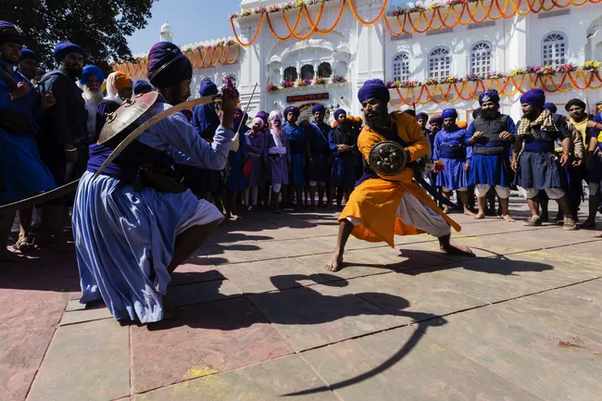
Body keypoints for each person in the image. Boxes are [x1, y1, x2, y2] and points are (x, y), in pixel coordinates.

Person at [73, 41, 239, 323]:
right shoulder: (166, 116)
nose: (189, 91)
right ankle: (154, 285)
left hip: (90, 189)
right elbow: (215, 161)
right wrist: (226, 121)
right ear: (174, 84)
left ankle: (142, 275)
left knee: (175, 206)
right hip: (114, 192)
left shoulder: (136, 102)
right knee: (208, 214)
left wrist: (197, 151)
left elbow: (168, 151)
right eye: (187, 83)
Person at [325, 79, 473, 272]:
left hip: (406, 181)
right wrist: (408, 165)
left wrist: (406, 155)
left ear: (385, 102)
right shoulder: (366, 136)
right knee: (355, 203)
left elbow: (423, 144)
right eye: (364, 105)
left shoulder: (405, 121)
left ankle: (445, 245)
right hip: (378, 181)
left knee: (439, 218)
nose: (368, 108)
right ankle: (338, 252)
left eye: (372, 102)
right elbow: (383, 168)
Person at [0, 21, 57, 261]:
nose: (16, 51)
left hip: (24, 141)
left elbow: (32, 115)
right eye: (11, 46)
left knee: (20, 192)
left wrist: (43, 106)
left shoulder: (20, 76)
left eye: (18, 47)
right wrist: (13, 95)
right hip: (4, 141)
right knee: (13, 192)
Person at [37, 41, 88, 249]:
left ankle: (43, 235)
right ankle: (58, 239)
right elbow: (58, 117)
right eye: (72, 58)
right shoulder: (56, 80)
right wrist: (68, 145)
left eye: (80, 59)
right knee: (58, 191)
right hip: (58, 148)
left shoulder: (70, 83)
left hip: (71, 146)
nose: (76, 62)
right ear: (61, 60)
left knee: (62, 191)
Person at [511, 89, 575, 229]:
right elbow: (517, 142)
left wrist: (566, 153)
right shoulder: (521, 122)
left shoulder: (555, 119)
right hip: (527, 158)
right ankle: (535, 216)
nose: (523, 108)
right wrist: (514, 159)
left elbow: (565, 136)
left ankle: (568, 217)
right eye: (522, 106)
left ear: (536, 105)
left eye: (526, 105)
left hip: (546, 157)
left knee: (554, 188)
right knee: (529, 189)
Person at [466, 90, 516, 222]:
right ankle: (481, 211)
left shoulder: (506, 119)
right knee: (480, 186)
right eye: (484, 105)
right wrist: (473, 138)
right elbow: (466, 140)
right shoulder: (475, 122)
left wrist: (510, 136)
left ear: (496, 104)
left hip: (498, 158)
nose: (487, 107)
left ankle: (505, 213)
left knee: (502, 186)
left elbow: (516, 136)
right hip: (480, 158)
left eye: (490, 104)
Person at [178, 80, 224, 212]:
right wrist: (222, 127)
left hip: (204, 147)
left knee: (208, 185)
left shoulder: (205, 107)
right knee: (205, 186)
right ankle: (205, 215)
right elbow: (206, 128)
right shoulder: (204, 107)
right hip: (204, 148)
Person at [433, 108, 474, 215]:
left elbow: (468, 147)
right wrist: (436, 163)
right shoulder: (439, 134)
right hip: (444, 163)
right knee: (445, 188)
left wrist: (468, 161)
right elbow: (436, 149)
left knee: (462, 188)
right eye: (446, 120)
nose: (448, 122)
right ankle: (446, 208)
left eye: (450, 120)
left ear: (455, 119)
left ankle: (465, 208)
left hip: (459, 162)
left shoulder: (462, 132)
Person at [283, 106, 310, 210]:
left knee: (298, 180)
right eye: (289, 114)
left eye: (294, 114)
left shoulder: (300, 130)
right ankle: (287, 202)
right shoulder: (283, 129)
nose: (291, 116)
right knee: (288, 180)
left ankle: (299, 202)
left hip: (298, 157)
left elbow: (303, 145)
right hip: (286, 157)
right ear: (286, 116)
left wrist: (304, 157)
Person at [224, 108, 248, 220]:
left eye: (238, 113)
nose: (236, 115)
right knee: (224, 185)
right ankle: (225, 210)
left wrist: (243, 154)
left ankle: (233, 210)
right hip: (225, 155)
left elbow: (242, 141)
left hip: (236, 157)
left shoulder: (239, 126)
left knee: (234, 186)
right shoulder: (222, 122)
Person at [307, 104, 332, 209]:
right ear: (314, 115)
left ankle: (321, 201)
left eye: (321, 113)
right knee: (313, 181)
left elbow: (331, 143)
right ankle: (313, 202)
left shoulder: (328, 128)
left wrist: (330, 156)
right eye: (316, 113)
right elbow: (307, 144)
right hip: (314, 157)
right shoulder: (310, 128)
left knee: (323, 182)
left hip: (325, 157)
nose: (319, 115)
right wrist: (310, 158)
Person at [329, 114, 357, 207]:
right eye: (341, 116)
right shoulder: (332, 132)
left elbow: (356, 144)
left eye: (344, 116)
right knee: (335, 181)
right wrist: (338, 146)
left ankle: (348, 203)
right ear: (337, 118)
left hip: (348, 159)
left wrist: (349, 148)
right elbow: (330, 145)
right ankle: (331, 203)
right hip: (337, 160)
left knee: (348, 182)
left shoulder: (351, 132)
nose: (343, 118)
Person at [265, 110, 290, 213]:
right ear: (271, 122)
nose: (277, 123)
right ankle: (275, 206)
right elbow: (265, 148)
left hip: (283, 161)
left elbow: (287, 149)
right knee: (276, 183)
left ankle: (275, 204)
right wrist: (265, 160)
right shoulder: (268, 134)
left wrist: (289, 163)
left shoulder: (284, 134)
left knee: (280, 183)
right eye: (275, 121)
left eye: (279, 121)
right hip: (273, 161)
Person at [95, 72, 133, 137]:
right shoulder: (106, 106)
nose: (130, 92)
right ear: (116, 90)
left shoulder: (126, 104)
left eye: (131, 89)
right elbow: (103, 132)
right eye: (127, 89)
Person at [583, 110, 602, 235]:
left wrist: (596, 125)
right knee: (594, 189)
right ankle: (591, 219)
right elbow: (594, 136)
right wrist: (590, 154)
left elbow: (595, 127)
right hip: (598, 159)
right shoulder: (600, 115)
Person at [79, 65, 104, 144]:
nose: (94, 84)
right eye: (90, 81)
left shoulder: (103, 101)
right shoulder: (81, 101)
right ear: (84, 84)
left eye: (97, 81)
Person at [244, 116, 265, 210]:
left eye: (258, 125)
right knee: (247, 182)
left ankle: (254, 203)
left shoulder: (260, 138)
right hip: (247, 160)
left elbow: (260, 150)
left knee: (255, 182)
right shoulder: (245, 135)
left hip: (256, 161)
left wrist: (251, 148)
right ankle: (246, 203)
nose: (256, 126)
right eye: (255, 123)